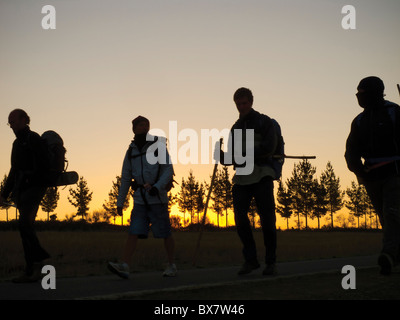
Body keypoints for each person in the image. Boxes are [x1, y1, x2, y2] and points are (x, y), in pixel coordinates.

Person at [217, 87, 278, 275]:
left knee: (267, 220)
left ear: (251, 102)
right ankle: (251, 260)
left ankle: (270, 263)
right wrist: (221, 155)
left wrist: (246, 154)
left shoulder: (265, 121)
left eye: (244, 103)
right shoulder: (235, 128)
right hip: (242, 177)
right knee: (239, 219)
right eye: (238, 104)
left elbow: (270, 146)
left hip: (262, 173)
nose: (241, 107)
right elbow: (231, 157)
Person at [108, 116, 177, 278]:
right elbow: (125, 177)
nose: (144, 128)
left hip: (157, 198)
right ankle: (124, 265)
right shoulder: (131, 151)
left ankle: (172, 265)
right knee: (134, 231)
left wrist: (157, 187)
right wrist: (120, 202)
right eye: (140, 125)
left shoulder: (158, 147)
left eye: (146, 125)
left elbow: (168, 168)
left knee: (165, 232)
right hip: (139, 199)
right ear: (134, 129)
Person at [345, 76, 400, 275]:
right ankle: (395, 253)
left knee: (392, 213)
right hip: (371, 177)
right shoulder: (359, 121)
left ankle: (388, 255)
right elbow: (351, 151)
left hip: (395, 173)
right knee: (385, 218)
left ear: (374, 92)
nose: (358, 96)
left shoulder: (395, 112)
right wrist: (358, 170)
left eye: (361, 93)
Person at [0, 109, 50, 283]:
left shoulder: (34, 139)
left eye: (13, 121)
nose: (11, 125)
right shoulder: (16, 143)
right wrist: (4, 194)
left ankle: (41, 262)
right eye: (9, 122)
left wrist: (32, 179)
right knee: (24, 229)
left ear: (24, 120)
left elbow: (44, 165)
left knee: (24, 224)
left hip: (35, 189)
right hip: (22, 190)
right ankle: (30, 271)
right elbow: (13, 170)